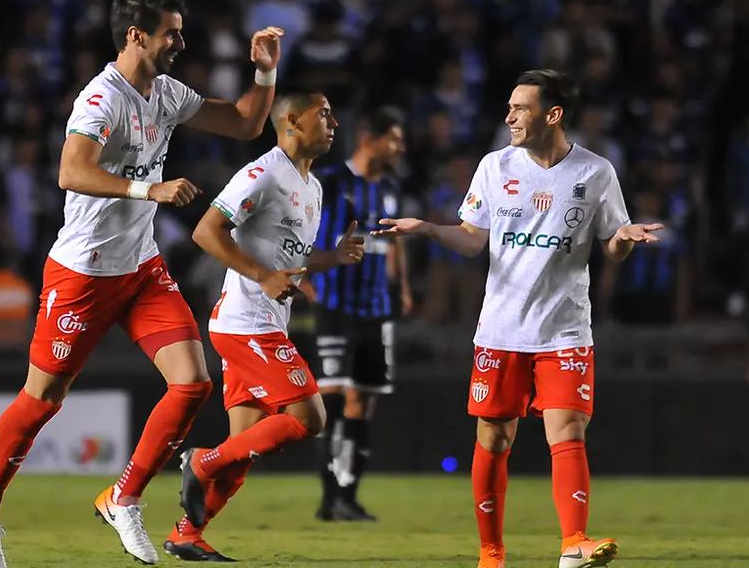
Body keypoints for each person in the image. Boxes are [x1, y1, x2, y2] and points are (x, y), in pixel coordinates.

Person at [0, 0, 285, 567]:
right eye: (171, 33)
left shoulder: (165, 92)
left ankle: (123, 496)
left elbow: (242, 125)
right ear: (138, 36)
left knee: (192, 383)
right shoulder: (101, 99)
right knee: (43, 398)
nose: (180, 42)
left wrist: (263, 74)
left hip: (140, 267)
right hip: (82, 272)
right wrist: (148, 187)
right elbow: (70, 170)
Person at [373, 69, 664, 568]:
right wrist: (426, 229)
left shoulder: (595, 173)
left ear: (553, 115)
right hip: (502, 328)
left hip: (565, 327)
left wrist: (624, 238)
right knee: (494, 437)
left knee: (568, 429)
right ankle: (492, 551)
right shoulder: (494, 166)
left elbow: (611, 248)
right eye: (509, 106)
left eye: (520, 108)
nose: (509, 116)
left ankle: (574, 545)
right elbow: (471, 237)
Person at [166, 91, 364, 561]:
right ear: (292, 121)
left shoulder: (310, 186)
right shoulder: (262, 172)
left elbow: (288, 259)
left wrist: (332, 258)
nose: (334, 122)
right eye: (324, 114)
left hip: (265, 322)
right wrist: (263, 277)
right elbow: (205, 231)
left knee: (244, 448)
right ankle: (201, 460)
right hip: (246, 325)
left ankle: (185, 534)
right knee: (309, 418)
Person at [306, 106, 412, 521]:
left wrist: (400, 286)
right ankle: (328, 497)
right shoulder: (331, 182)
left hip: (377, 311)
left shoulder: (389, 186)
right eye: (395, 139)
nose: (400, 147)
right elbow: (302, 227)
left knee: (364, 402)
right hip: (336, 306)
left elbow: (394, 239)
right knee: (331, 400)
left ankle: (349, 495)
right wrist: (305, 281)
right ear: (371, 137)